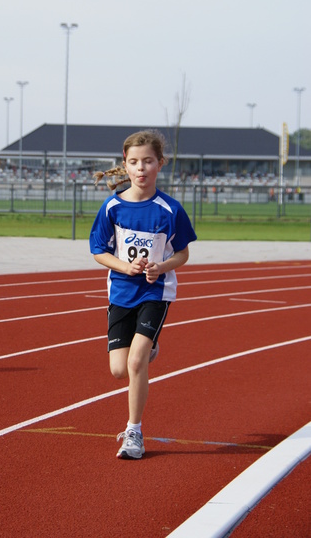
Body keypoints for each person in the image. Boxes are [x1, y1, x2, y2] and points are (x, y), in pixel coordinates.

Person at [89, 130, 197, 460]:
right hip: (121, 292)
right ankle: (148, 346)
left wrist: (160, 267)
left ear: (160, 164)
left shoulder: (170, 209)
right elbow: (97, 251)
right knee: (119, 369)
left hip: (155, 291)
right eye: (134, 162)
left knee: (136, 362)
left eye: (148, 161)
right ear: (125, 165)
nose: (141, 168)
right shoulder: (112, 208)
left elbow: (182, 254)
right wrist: (125, 267)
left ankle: (134, 432)